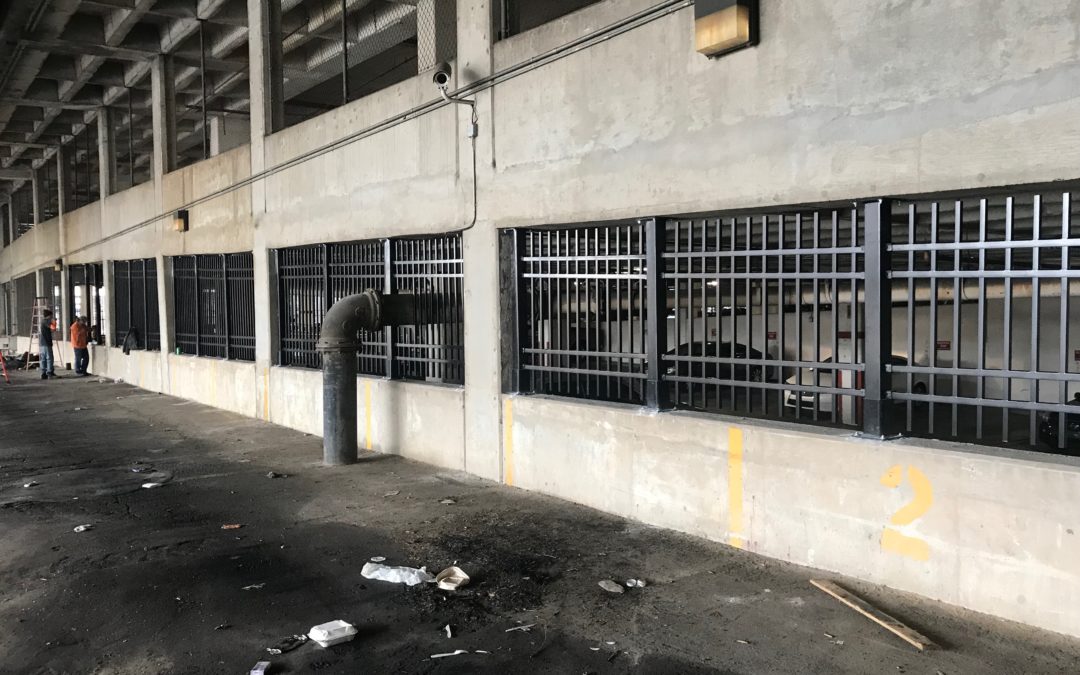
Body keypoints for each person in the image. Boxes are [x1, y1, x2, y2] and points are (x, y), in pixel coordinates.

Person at [39, 309, 56, 380]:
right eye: (51, 316)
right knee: (49, 358)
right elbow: (53, 328)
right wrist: (54, 322)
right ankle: (49, 372)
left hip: (42, 343)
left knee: (43, 358)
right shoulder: (46, 321)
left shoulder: (43, 321)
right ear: (49, 316)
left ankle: (44, 373)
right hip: (46, 343)